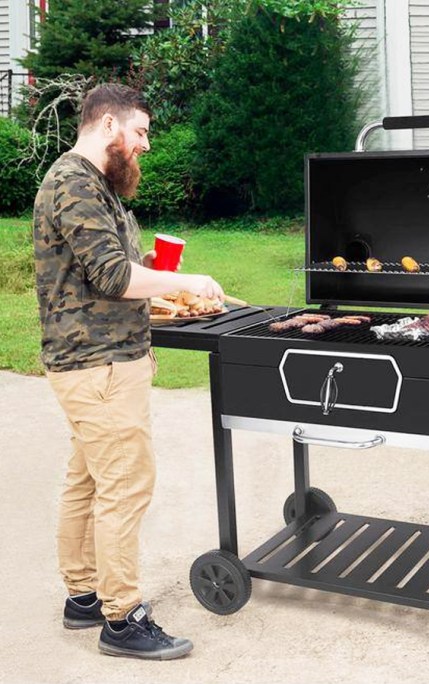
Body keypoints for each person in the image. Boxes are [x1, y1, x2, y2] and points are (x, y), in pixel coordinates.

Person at [34, 83, 224, 660]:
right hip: (99, 365)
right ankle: (123, 619)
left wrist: (161, 286)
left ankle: (83, 596)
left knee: (89, 480)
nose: (144, 144)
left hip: (100, 359)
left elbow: (116, 272)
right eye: (139, 131)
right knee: (125, 487)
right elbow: (113, 277)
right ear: (109, 124)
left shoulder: (95, 186)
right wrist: (187, 283)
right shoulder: (73, 183)